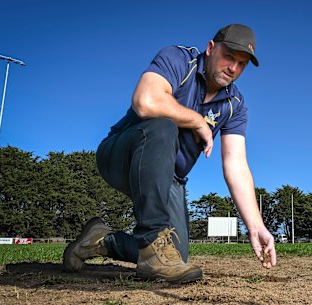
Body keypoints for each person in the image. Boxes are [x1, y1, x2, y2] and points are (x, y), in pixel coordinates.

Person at [63, 24, 277, 284]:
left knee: (176, 255)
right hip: (122, 155)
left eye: (241, 64)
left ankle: (100, 240)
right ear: (210, 48)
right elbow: (146, 101)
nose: (233, 68)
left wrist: (255, 226)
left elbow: (236, 165)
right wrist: (197, 121)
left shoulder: (235, 105)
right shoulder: (179, 59)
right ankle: (152, 237)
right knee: (164, 125)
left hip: (170, 178)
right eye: (229, 57)